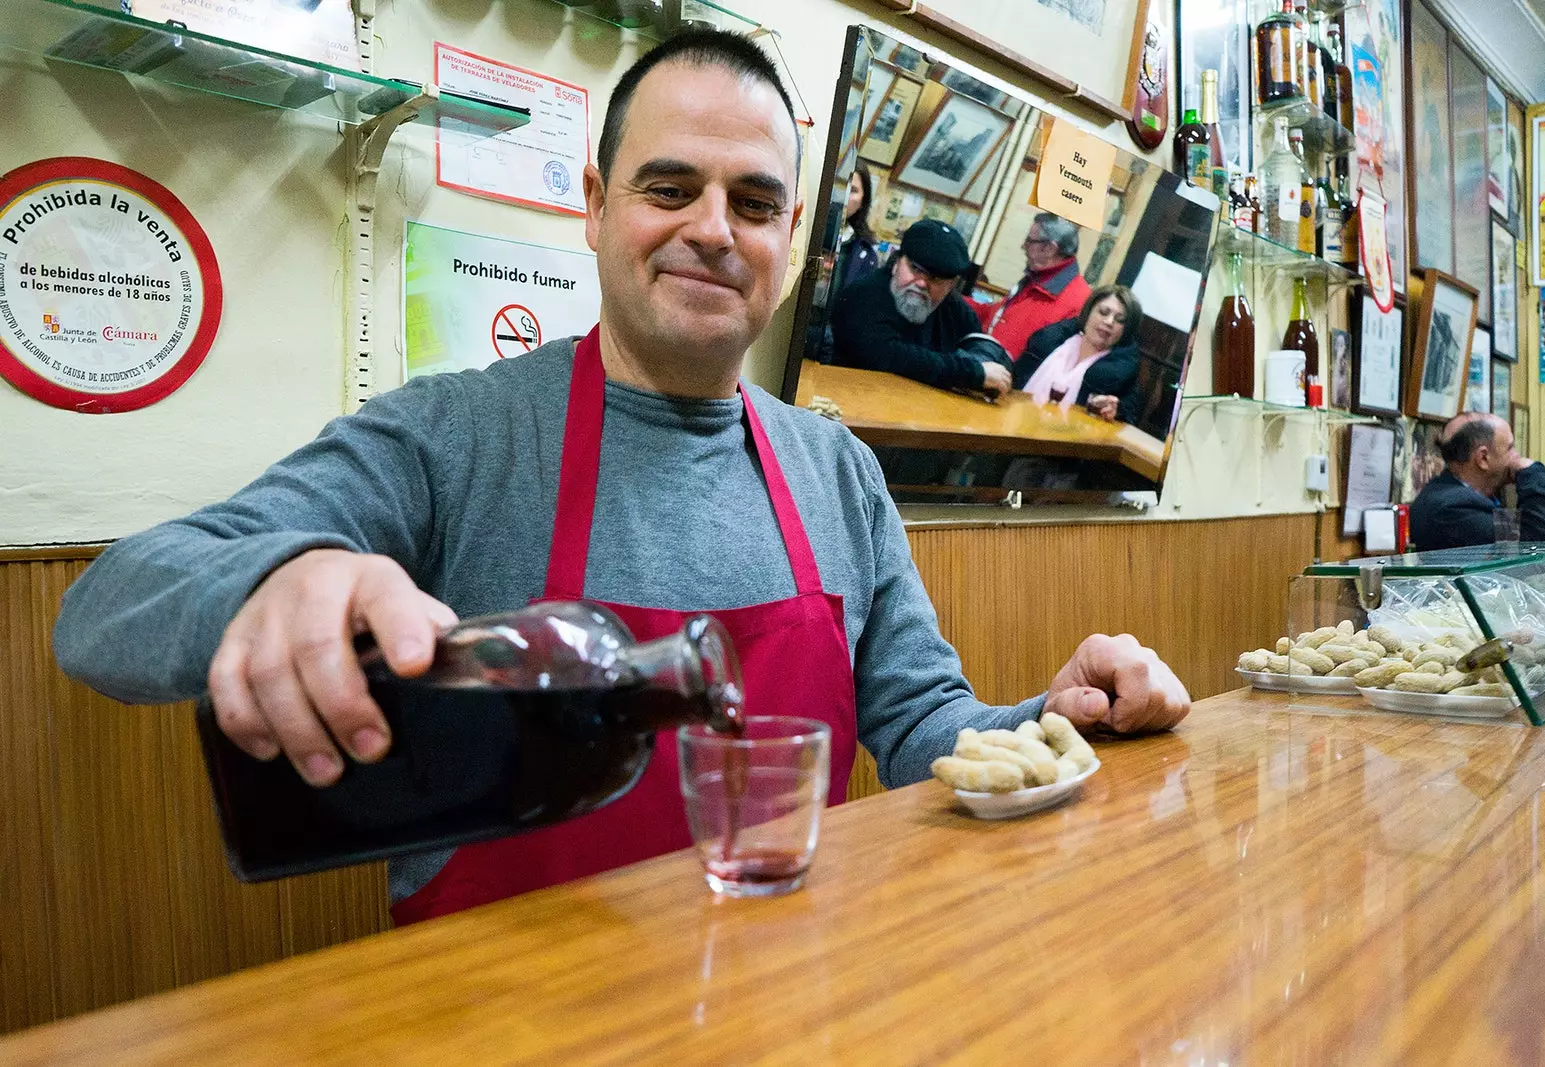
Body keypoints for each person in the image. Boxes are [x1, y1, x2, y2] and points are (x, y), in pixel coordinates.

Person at [51, 31, 1190, 925]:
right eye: (668, 187)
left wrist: (1054, 718)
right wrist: (288, 572)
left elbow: (922, 720)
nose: (711, 229)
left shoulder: (834, 464)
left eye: (751, 203)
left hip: (795, 993)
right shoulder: (456, 436)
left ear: (789, 236)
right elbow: (105, 605)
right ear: (595, 207)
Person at [830, 218, 1012, 395]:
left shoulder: (955, 309)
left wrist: (982, 371)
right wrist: (971, 373)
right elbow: (885, 354)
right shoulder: (863, 293)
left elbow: (987, 358)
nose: (922, 283)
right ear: (897, 263)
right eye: (916, 269)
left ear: (951, 285)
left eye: (936, 278)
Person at [1410, 412, 1545, 551]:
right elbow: (1543, 548)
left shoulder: (1452, 494)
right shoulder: (1452, 509)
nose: (1516, 456)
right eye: (1510, 448)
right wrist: (1533, 473)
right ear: (1483, 458)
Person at [1012, 285, 1144, 424]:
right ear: (1088, 313)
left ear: (1126, 330)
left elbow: (1127, 418)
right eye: (1103, 312)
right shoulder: (1048, 342)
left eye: (1120, 320)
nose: (1109, 322)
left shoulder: (1123, 372)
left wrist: (1116, 413)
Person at [980, 212, 1092, 359]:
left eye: (1029, 240)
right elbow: (996, 317)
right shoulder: (1036, 278)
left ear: (1050, 249)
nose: (1023, 246)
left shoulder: (1079, 303)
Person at [832, 162, 879, 296]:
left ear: (863, 201)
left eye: (852, 190)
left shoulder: (867, 254)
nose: (843, 195)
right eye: (839, 186)